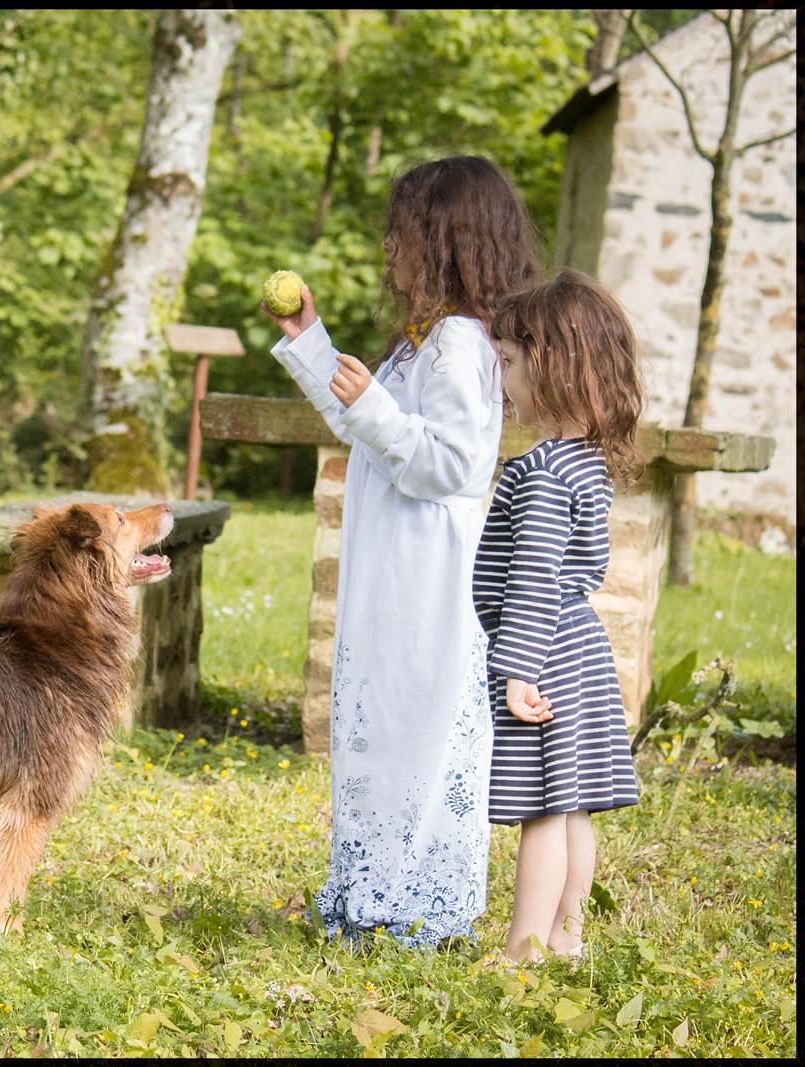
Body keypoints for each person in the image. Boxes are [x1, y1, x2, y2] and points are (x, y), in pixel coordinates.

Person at [263, 155, 542, 948]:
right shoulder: (424, 339)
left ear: (446, 239)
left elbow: (452, 465)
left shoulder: (459, 342)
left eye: (403, 232)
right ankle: (373, 894)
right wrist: (311, 343)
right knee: (379, 732)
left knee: (411, 735)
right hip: (391, 576)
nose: (390, 247)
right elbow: (365, 420)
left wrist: (375, 406)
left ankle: (412, 907)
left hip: (427, 580)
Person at [475, 269, 643, 963]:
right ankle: (567, 938)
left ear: (553, 366)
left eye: (509, 361)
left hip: (541, 653)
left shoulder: (541, 471)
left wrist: (515, 669)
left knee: (541, 808)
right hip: (578, 648)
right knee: (570, 803)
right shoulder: (584, 463)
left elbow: (535, 577)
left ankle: (524, 946)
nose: (501, 378)